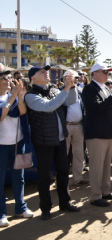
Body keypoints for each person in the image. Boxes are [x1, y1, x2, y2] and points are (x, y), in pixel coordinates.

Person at [24, 65, 81, 220]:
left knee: (63, 172)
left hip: (60, 138)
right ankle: (45, 208)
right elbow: (49, 107)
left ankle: (65, 203)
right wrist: (65, 88)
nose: (46, 73)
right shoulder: (31, 95)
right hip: (43, 142)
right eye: (42, 72)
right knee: (44, 176)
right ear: (33, 78)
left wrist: (72, 86)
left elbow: (71, 100)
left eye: (46, 71)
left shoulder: (54, 90)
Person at [82, 63, 112, 207]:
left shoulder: (106, 88)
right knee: (96, 166)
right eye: (104, 72)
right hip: (96, 133)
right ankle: (95, 195)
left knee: (106, 165)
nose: (107, 74)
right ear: (95, 74)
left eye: (108, 72)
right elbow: (96, 107)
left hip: (108, 132)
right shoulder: (88, 89)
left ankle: (105, 191)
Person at [0, 71, 34, 227]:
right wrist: (13, 96)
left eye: (8, 77)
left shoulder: (12, 95)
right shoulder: (8, 97)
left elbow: (22, 112)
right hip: (1, 145)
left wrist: (19, 95)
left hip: (17, 143)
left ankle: (21, 207)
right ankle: (1, 213)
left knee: (18, 178)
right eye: (4, 78)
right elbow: (1, 114)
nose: (8, 80)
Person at [63, 70, 89, 186]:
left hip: (79, 126)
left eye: (77, 78)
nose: (76, 80)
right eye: (73, 78)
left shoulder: (80, 92)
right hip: (66, 127)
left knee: (79, 154)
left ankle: (78, 179)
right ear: (65, 79)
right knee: (63, 155)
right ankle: (62, 181)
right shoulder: (60, 92)